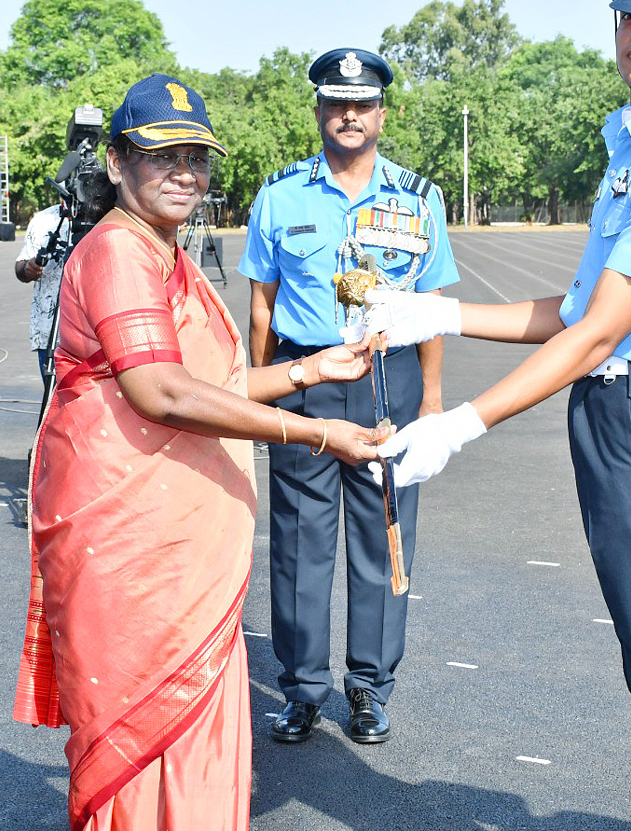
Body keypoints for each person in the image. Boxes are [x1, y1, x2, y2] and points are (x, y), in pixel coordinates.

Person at [367, 0, 631, 830]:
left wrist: (462, 420)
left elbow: (599, 334)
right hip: (625, 411)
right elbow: (574, 309)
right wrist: (440, 313)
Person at [13, 73, 383, 831]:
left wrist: (314, 369)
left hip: (175, 549)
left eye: (197, 157)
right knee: (145, 736)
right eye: (162, 155)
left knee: (189, 736)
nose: (185, 172)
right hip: (133, 547)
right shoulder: (119, 252)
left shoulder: (167, 254)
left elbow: (220, 382)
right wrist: (320, 432)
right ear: (117, 162)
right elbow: (163, 392)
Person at [237, 48, 459, 745]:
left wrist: (431, 405)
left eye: (362, 105)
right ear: (320, 113)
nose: (349, 114)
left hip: (384, 384)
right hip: (302, 382)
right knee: (300, 543)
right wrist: (260, 398)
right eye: (337, 103)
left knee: (381, 536)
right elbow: (261, 307)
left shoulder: (419, 199)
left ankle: (368, 686)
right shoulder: (279, 195)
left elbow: (431, 304)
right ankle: (302, 688)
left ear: (382, 115)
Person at [13, 203, 68, 381]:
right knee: (53, 404)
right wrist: (28, 269)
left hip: (93, 339)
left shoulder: (107, 216)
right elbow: (20, 267)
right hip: (50, 336)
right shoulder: (44, 219)